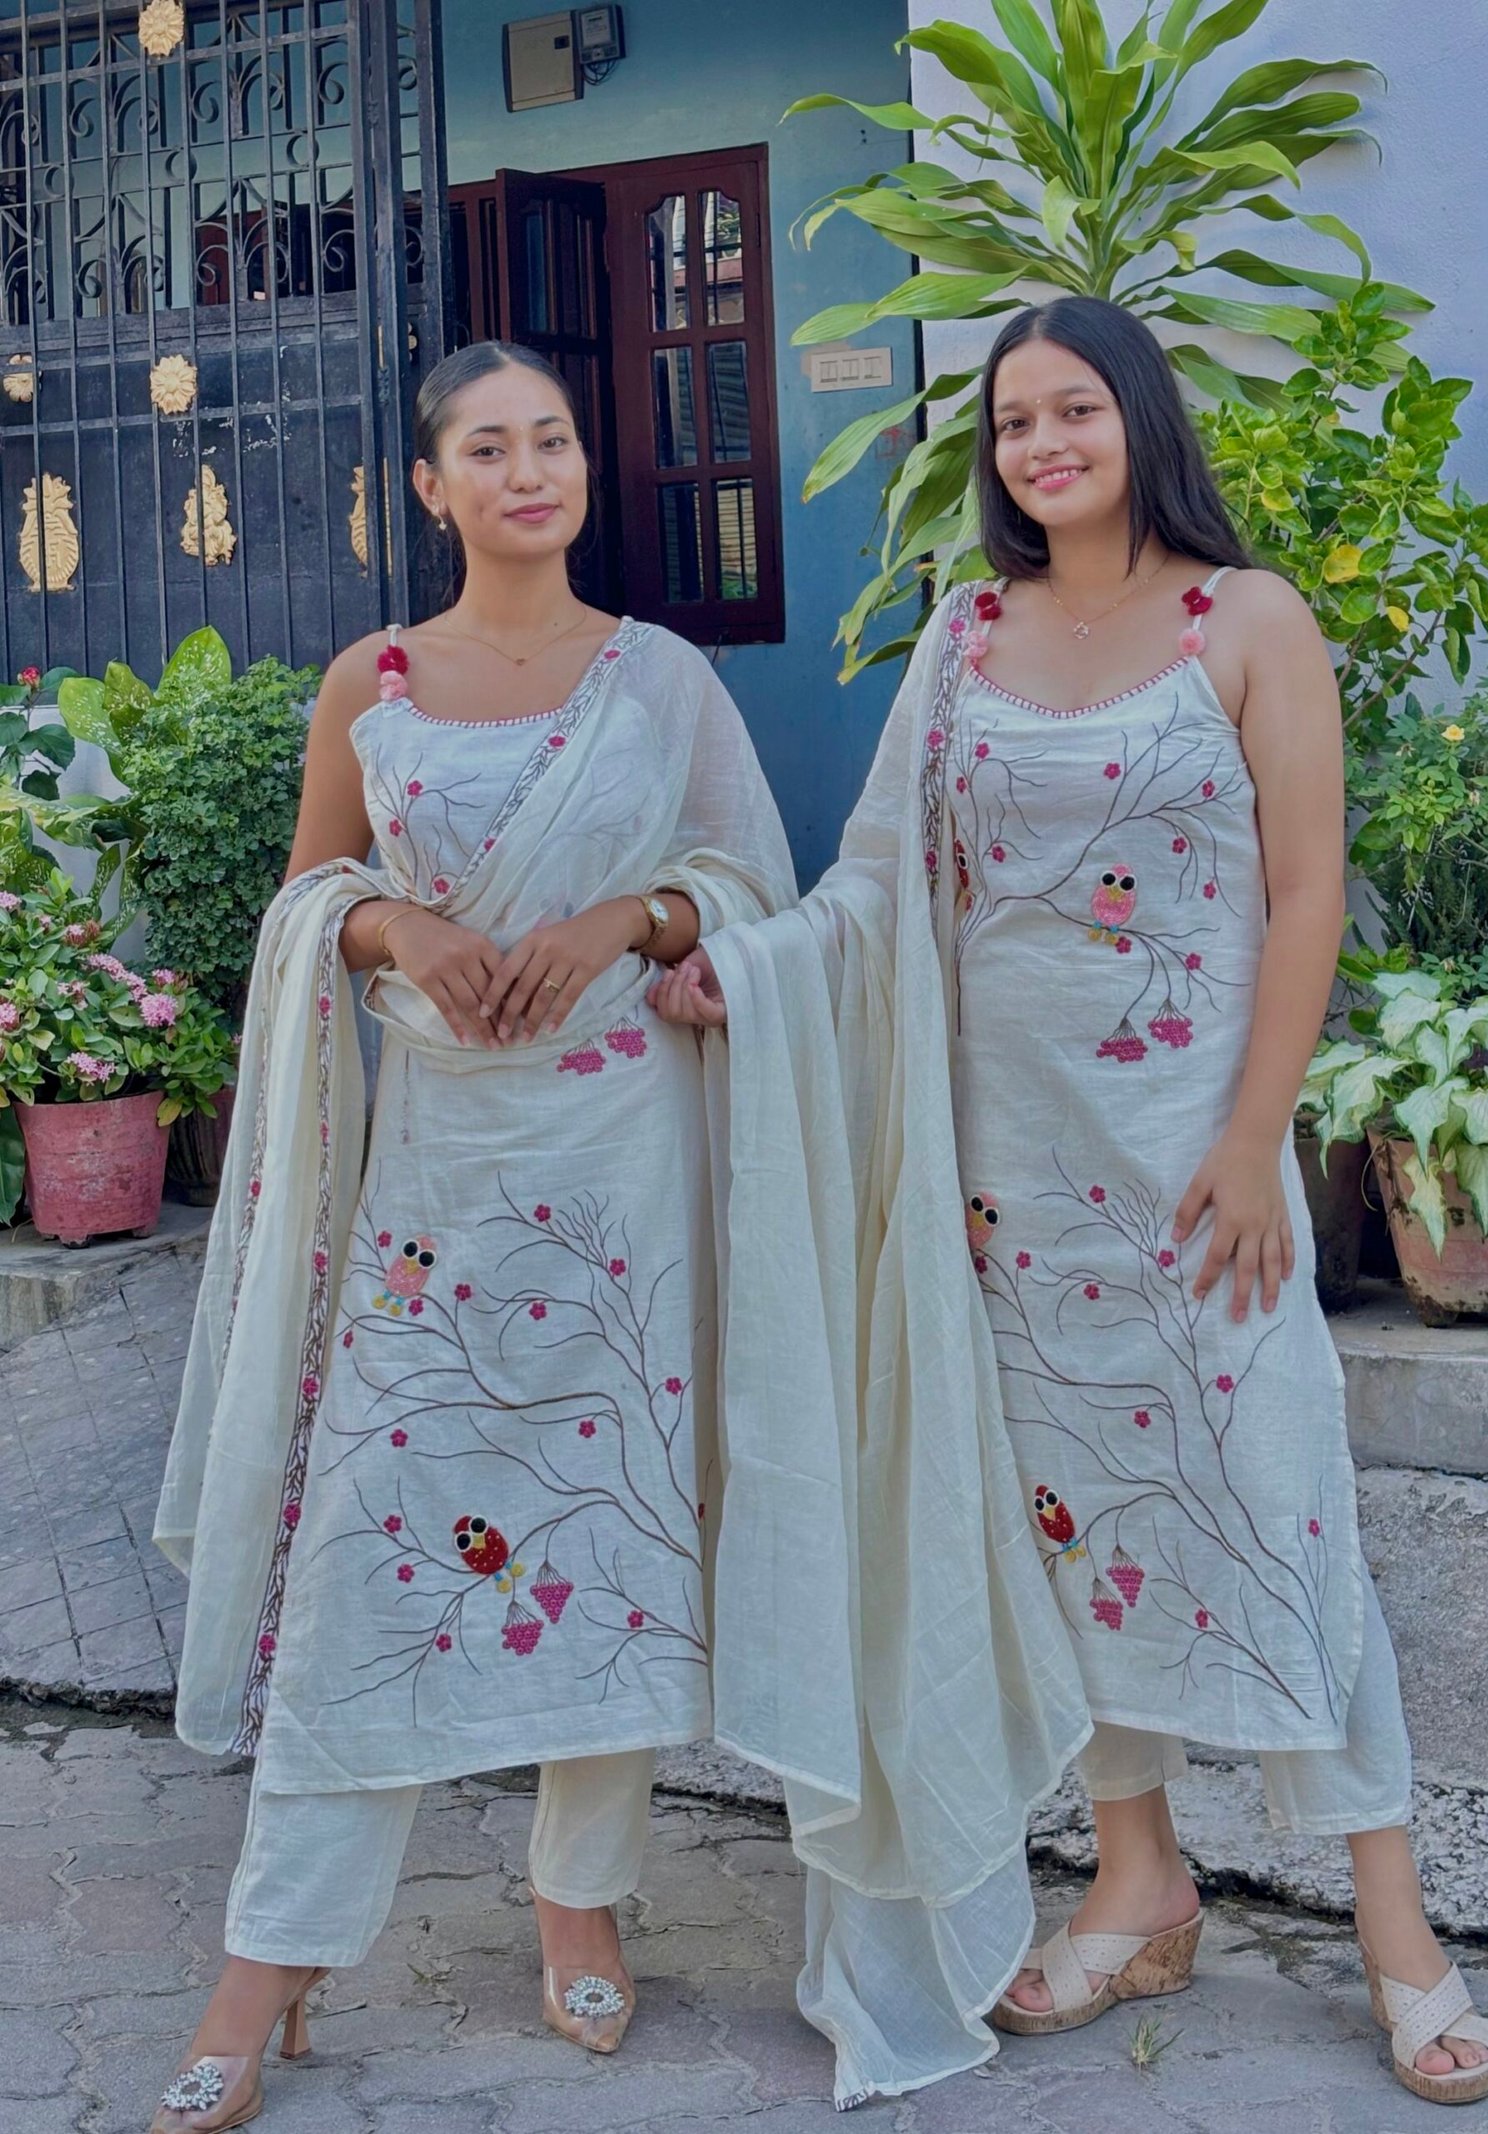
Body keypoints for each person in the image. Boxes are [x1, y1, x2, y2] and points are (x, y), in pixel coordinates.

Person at [652, 296, 1488, 2109]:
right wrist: (757, 969)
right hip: (1006, 1181)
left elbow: (1307, 888)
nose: (1042, 445)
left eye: (1074, 411)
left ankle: (1397, 1923)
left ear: (1140, 419)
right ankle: (1139, 1878)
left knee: (1284, 1509)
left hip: (1196, 1166)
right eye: (1014, 422)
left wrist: (1256, 1137)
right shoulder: (968, 633)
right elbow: (879, 876)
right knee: (1070, 1527)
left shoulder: (1247, 621)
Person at [149, 341, 797, 2131]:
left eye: (555, 440)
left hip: (619, 1172)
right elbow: (308, 892)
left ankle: (578, 1894)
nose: (532, 470)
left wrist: (625, 920)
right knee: (366, 1553)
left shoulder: (661, 679)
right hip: (435, 1185)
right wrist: (394, 930)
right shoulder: (374, 680)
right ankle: (268, 1957)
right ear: (430, 488)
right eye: (491, 448)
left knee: (612, 1521)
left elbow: (755, 881)